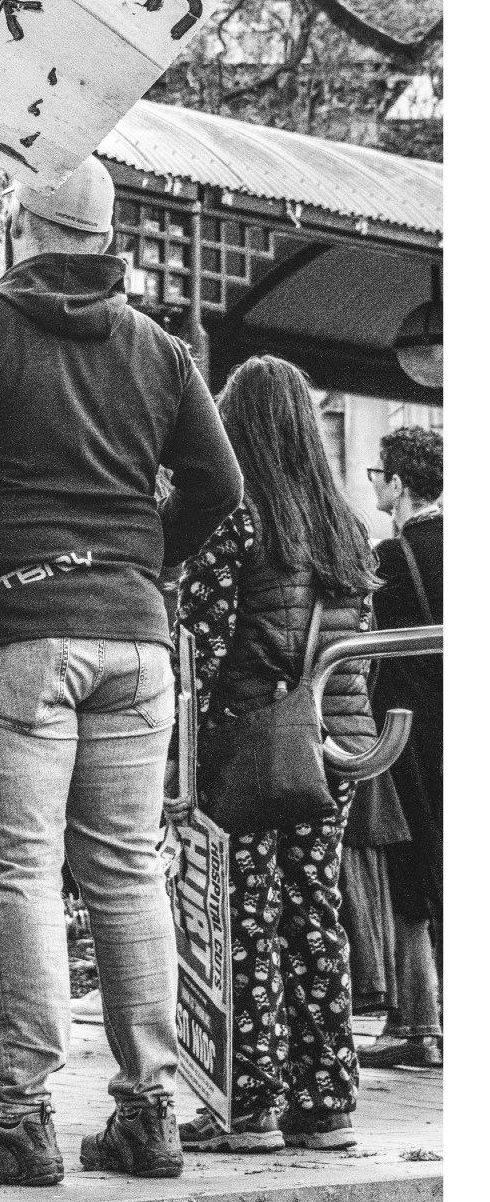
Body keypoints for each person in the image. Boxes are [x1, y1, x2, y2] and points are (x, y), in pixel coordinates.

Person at [0, 158, 243, 1186]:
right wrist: (145, 563)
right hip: (135, 638)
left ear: (20, 226)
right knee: (128, 868)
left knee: (21, 873)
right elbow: (220, 482)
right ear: (106, 235)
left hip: (14, 630)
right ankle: (148, 1108)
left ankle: (20, 1112)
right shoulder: (159, 346)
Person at [177, 355, 378, 1155]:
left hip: (254, 740)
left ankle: (248, 1102)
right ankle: (324, 1101)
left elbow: (203, 635)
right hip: (334, 746)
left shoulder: (239, 518)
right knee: (314, 913)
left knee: (244, 917)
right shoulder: (344, 523)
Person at [359, 426, 443, 1070]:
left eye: (377, 474)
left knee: (413, 859)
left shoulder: (391, 557)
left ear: (399, 483)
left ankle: (418, 1021)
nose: (375, 484)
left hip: (408, 725)